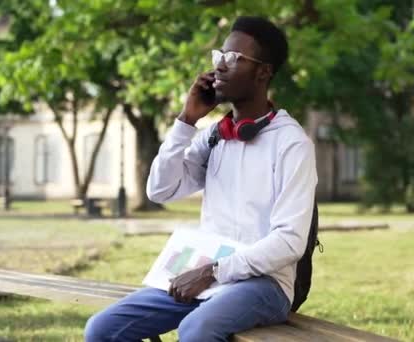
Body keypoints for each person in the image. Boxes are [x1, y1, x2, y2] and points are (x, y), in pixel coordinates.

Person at [84, 16, 317, 342]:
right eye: (219, 56)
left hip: (264, 284)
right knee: (102, 330)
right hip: (207, 275)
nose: (220, 66)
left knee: (197, 329)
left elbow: (290, 241)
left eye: (234, 59)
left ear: (263, 72)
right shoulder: (215, 136)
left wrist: (212, 272)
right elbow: (160, 190)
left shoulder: (291, 143)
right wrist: (186, 120)